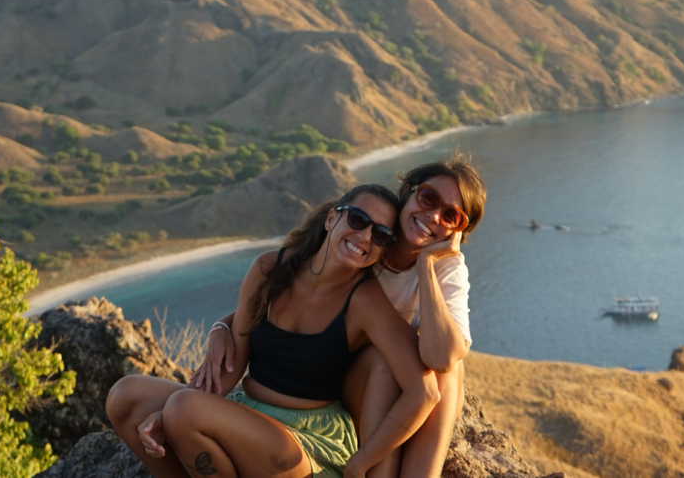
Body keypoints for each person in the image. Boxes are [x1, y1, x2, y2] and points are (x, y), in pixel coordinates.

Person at [106, 184, 441, 478]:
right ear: (331, 219)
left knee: (182, 409)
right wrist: (169, 410)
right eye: (357, 219)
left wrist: (362, 462)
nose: (365, 236)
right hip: (246, 412)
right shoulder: (270, 268)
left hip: (305, 442)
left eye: (381, 235)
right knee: (126, 396)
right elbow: (231, 367)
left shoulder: (365, 300)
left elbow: (424, 392)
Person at [193, 155, 485, 477]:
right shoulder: (365, 239)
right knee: (386, 361)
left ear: (459, 232)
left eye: (451, 216)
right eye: (429, 198)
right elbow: (289, 293)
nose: (434, 216)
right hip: (331, 378)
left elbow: (442, 358)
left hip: (383, 387)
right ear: (409, 191)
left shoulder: (445, 266)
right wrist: (222, 326)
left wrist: (427, 265)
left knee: (448, 372)